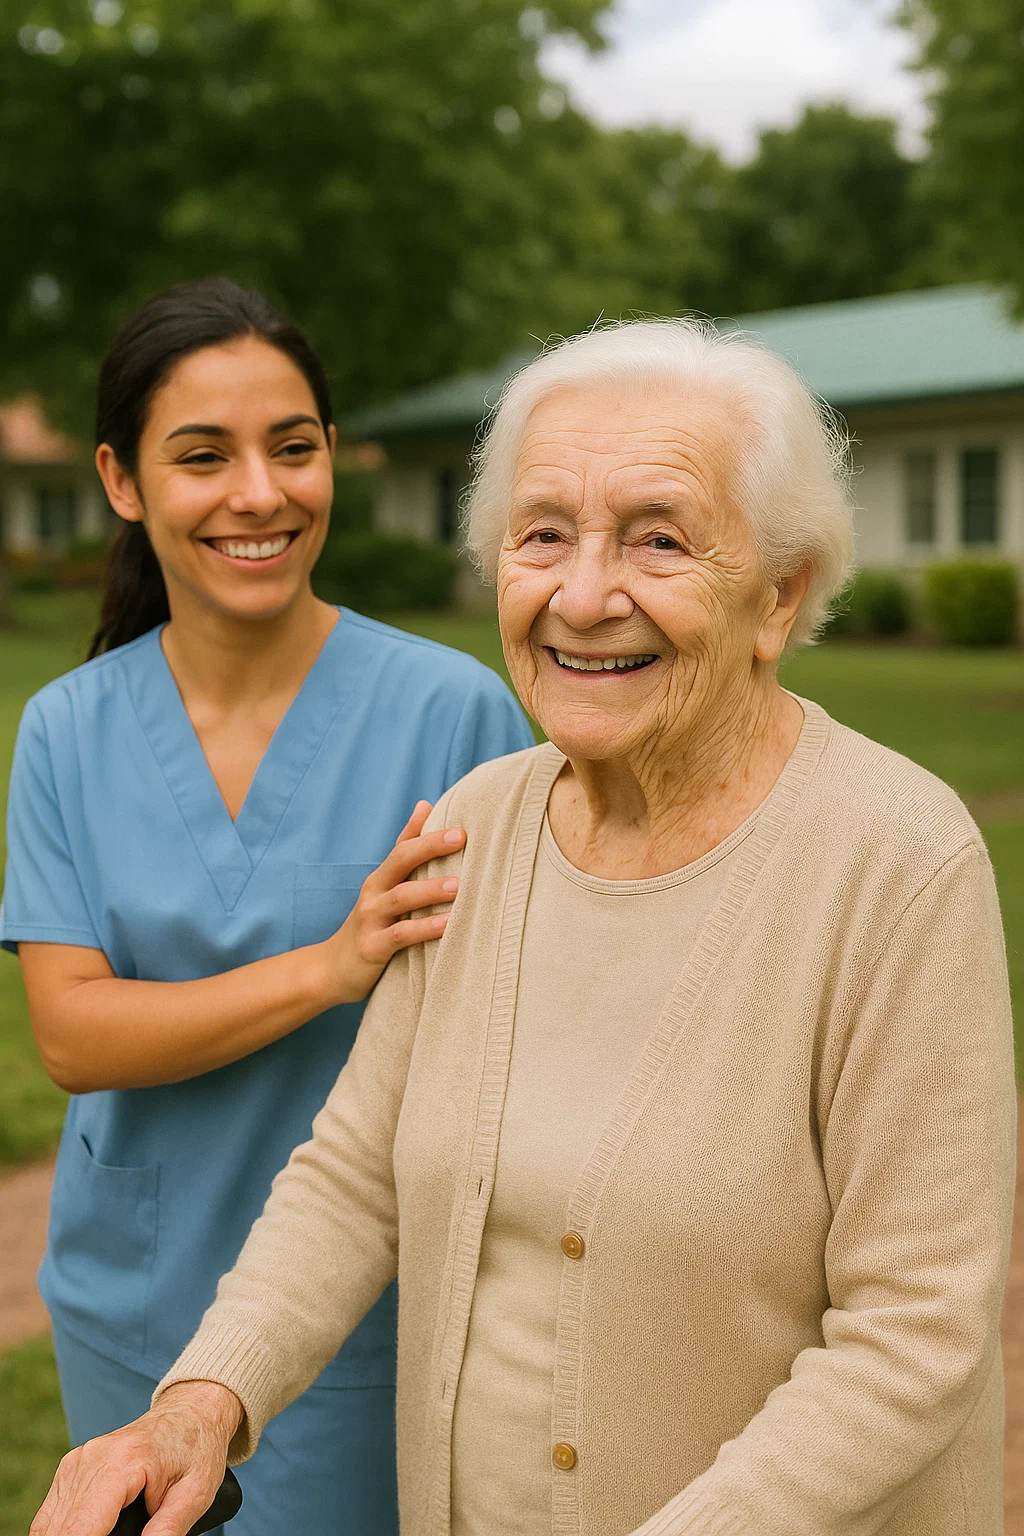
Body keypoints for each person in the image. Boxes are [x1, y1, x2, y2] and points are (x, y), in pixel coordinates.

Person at [32, 319, 1016, 1536]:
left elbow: (915, 1338)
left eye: (658, 540)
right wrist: (200, 1402)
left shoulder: (894, 864)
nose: (583, 594)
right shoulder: (476, 826)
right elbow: (353, 1180)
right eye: (541, 535)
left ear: (779, 593)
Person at [3, 278, 533, 1536]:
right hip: (130, 1313)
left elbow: (519, 1028)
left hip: (369, 1318)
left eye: (293, 448)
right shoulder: (66, 732)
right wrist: (330, 964)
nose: (260, 493)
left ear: (332, 458)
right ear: (122, 482)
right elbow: (74, 1036)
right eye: (203, 456)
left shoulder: (452, 714)